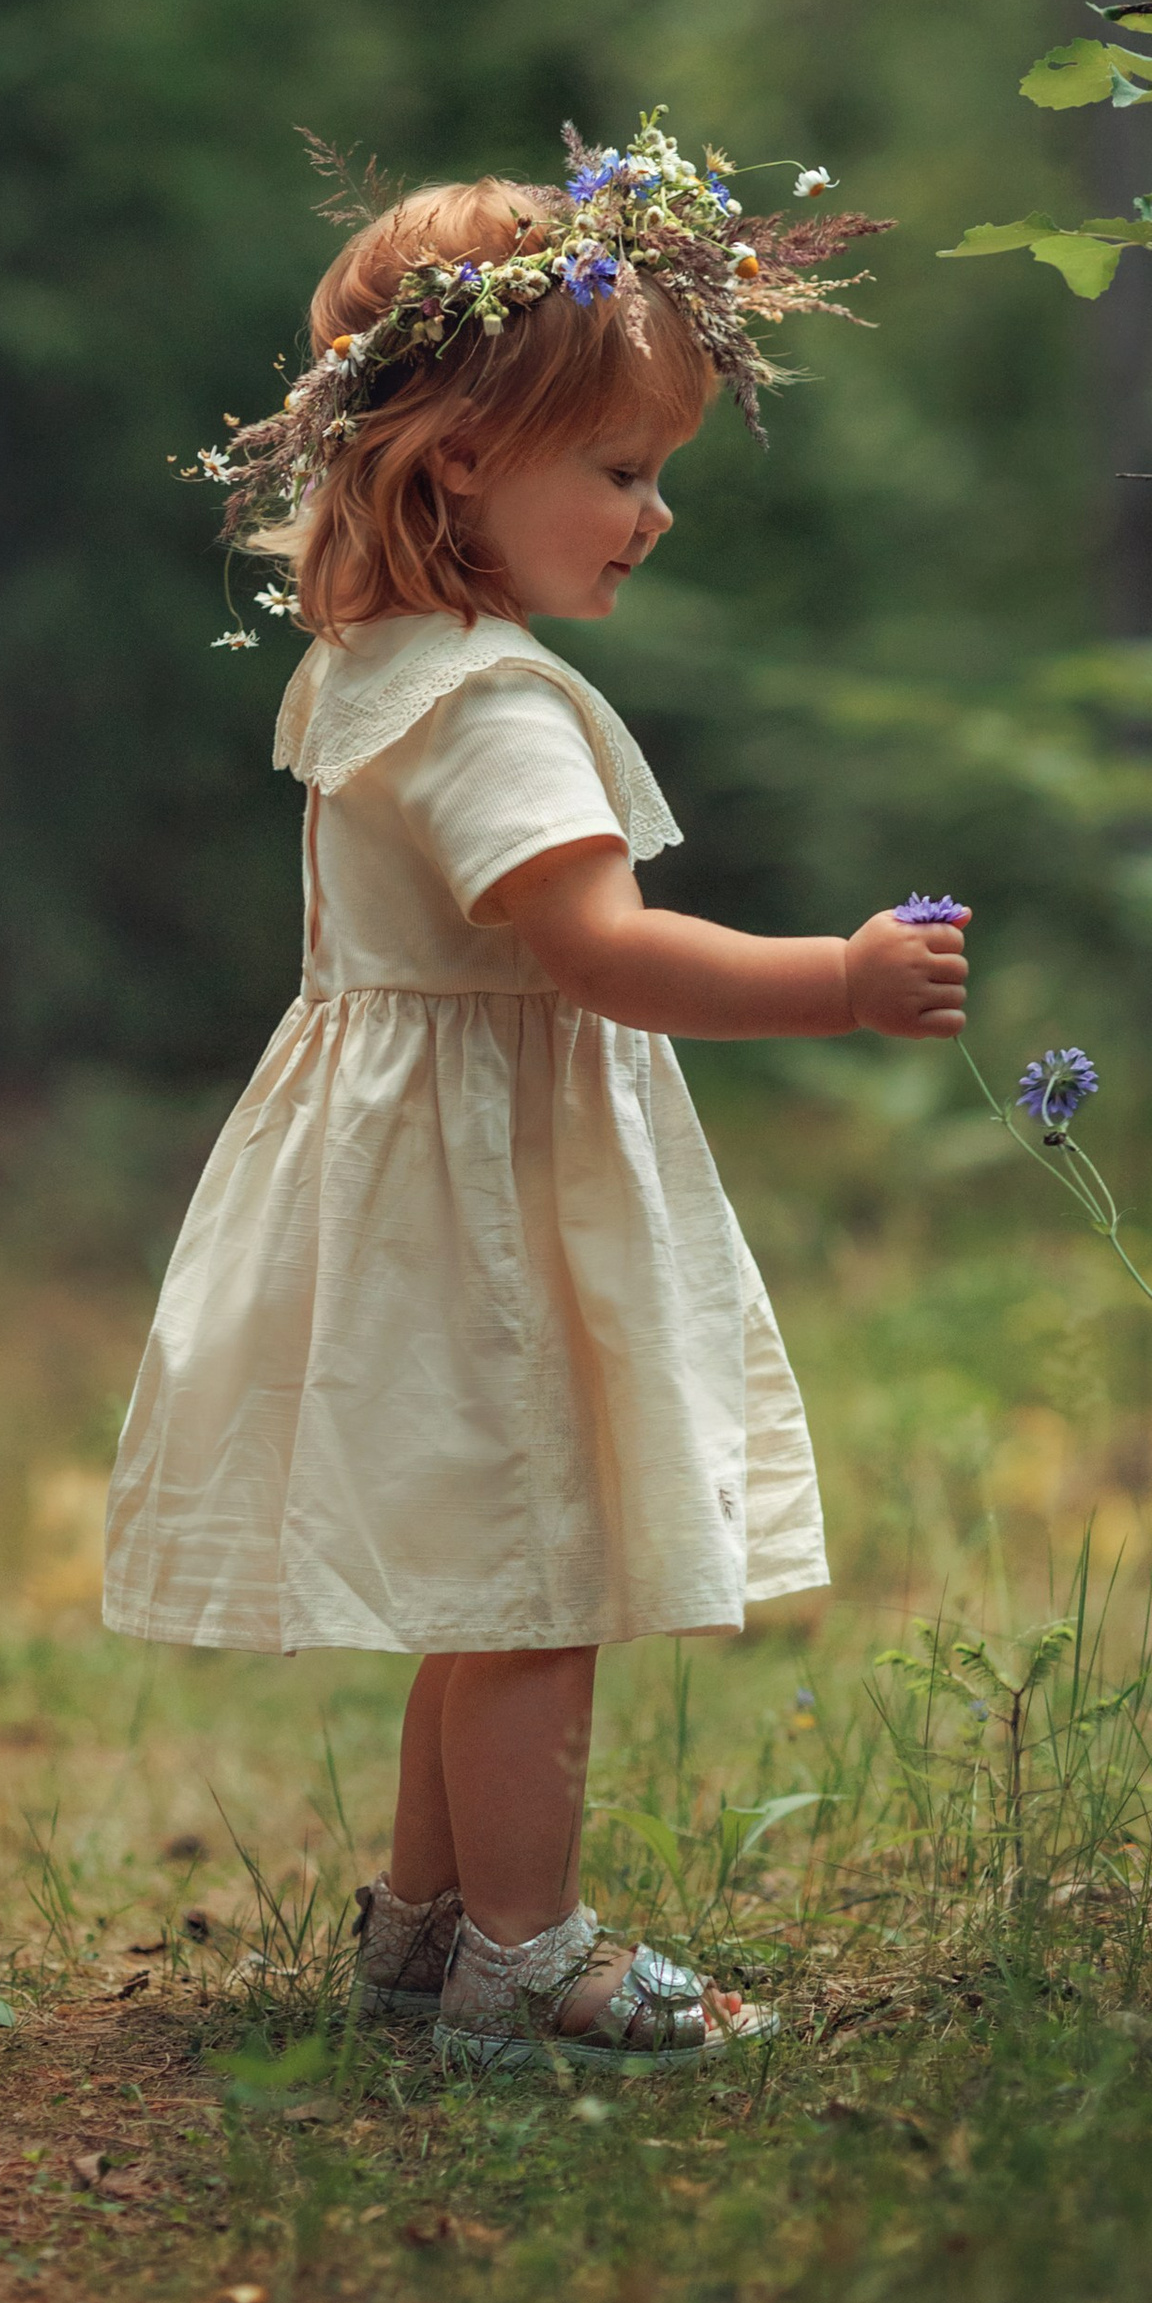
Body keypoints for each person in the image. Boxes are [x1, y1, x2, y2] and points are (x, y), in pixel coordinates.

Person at [102, 121, 970, 2068]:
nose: (652, 512)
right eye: (621, 468)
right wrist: (835, 980)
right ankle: (525, 1951)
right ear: (461, 458)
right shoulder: (489, 704)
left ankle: (421, 1929)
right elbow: (596, 951)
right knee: (534, 1564)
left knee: (484, 1562)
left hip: (415, 1156)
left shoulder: (378, 660)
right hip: (480, 1187)